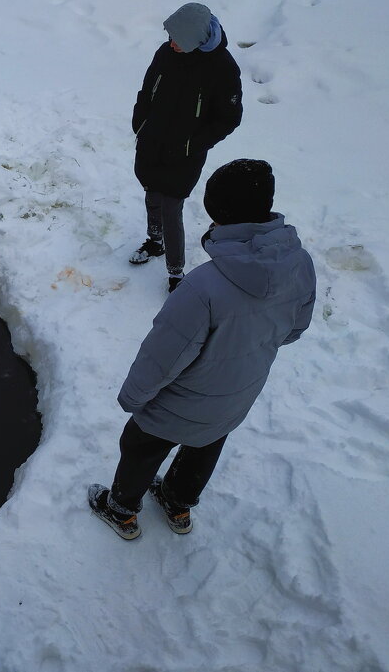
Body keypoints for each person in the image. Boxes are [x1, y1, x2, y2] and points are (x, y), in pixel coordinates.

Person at [89, 159, 316, 539]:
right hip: (237, 395)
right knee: (206, 444)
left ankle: (122, 510)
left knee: (140, 446)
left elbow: (163, 358)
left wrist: (133, 397)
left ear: (218, 212)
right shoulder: (300, 264)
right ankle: (178, 506)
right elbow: (294, 329)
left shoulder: (203, 288)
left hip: (178, 402)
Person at [129, 3, 243, 292]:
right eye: (171, 37)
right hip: (152, 140)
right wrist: (140, 123)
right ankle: (155, 242)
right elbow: (147, 89)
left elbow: (228, 118)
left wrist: (193, 144)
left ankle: (176, 272)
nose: (173, 44)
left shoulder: (223, 69)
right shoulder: (166, 53)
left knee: (171, 206)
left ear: (197, 39)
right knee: (151, 193)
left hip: (184, 152)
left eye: (179, 40)